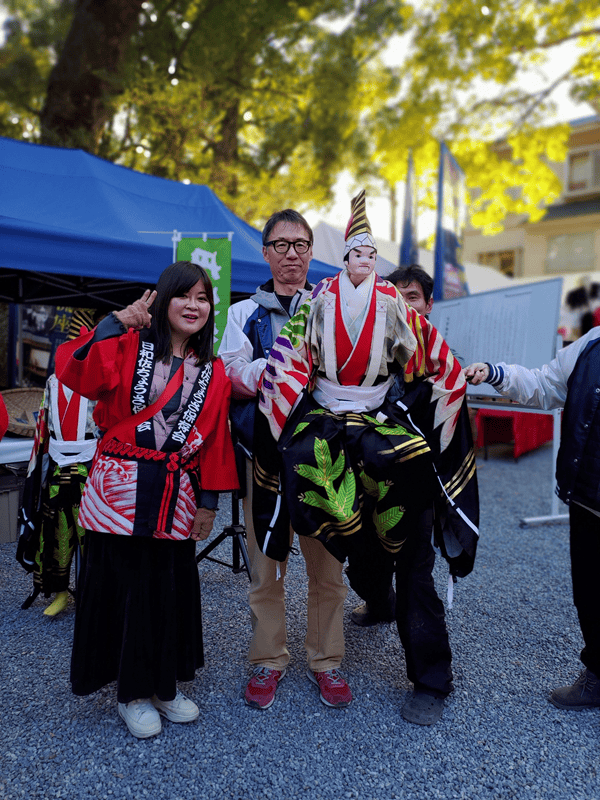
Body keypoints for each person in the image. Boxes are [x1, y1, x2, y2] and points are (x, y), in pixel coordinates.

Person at [255, 191, 479, 726]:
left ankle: (430, 679)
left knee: (415, 569)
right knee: (357, 549)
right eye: (354, 254)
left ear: (419, 306)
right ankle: (376, 603)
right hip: (340, 438)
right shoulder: (322, 304)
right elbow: (290, 363)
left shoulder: (416, 345)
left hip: (398, 460)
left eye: (415, 298)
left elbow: (447, 381)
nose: (362, 263)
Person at [55, 261, 239, 739]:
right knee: (124, 587)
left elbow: (216, 438)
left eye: (203, 298)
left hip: (175, 493)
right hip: (119, 487)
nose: (194, 305)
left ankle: (163, 685)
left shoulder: (214, 371)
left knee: (167, 588)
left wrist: (210, 503)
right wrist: (116, 323)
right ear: (162, 300)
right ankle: (131, 693)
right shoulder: (128, 344)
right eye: (184, 296)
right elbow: (78, 374)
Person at [218, 209, 352, 710]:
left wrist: (272, 370)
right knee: (265, 566)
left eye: (300, 244)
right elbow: (231, 377)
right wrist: (291, 364)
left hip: (324, 459)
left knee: (327, 567)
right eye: (280, 244)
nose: (290, 254)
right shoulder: (240, 314)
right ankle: (268, 658)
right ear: (266, 251)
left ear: (312, 252)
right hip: (266, 461)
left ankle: (327, 661)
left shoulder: (333, 307)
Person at [465, 332, 600, 713]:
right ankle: (598, 677)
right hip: (589, 497)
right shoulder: (591, 343)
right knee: (590, 592)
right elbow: (545, 385)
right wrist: (496, 373)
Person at [16, 370, 97, 616]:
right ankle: (60, 592)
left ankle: (95, 595)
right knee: (54, 529)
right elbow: (44, 422)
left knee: (93, 534)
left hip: (93, 464)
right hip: (57, 463)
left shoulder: (102, 375)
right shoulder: (53, 380)